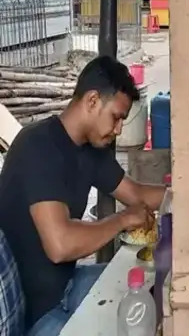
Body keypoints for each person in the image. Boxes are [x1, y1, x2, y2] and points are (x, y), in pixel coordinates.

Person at [0, 56, 167, 335]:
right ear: (92, 101)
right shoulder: (38, 148)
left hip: (66, 286)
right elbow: (61, 245)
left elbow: (135, 193)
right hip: (37, 315)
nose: (119, 129)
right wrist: (123, 219)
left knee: (148, 292)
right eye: (116, 117)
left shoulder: (90, 148)